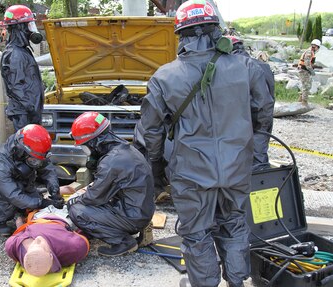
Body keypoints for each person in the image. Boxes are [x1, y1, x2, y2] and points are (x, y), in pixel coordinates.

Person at [140, 1, 273, 287]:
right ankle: (237, 282)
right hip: (237, 167)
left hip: (190, 172)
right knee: (235, 223)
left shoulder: (163, 77)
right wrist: (257, 155)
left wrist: (157, 167)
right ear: (216, 29)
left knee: (197, 232)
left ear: (181, 35)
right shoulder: (247, 67)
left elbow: (151, 132)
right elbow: (263, 114)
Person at [66, 112, 155, 257]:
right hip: (141, 210)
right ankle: (124, 229)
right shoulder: (126, 150)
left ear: (94, 142)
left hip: (133, 216)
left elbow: (94, 197)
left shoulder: (111, 161)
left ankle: (124, 242)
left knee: (77, 211)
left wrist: (74, 200)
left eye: (84, 146)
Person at [0, 124, 64, 236]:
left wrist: (54, 190)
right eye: (34, 159)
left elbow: (48, 169)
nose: (36, 162)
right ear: (22, 150)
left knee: (30, 200)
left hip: (15, 179)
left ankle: (19, 208)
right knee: (10, 196)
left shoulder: (31, 151)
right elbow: (11, 193)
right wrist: (41, 202)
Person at [227, 35, 275, 171]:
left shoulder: (231, 67)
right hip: (264, 117)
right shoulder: (264, 66)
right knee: (259, 155)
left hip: (241, 121)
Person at [5, 207, 89, 277]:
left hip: (41, 215)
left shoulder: (12, 246)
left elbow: (83, 239)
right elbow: (84, 236)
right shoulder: (12, 245)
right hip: (60, 215)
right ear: (51, 256)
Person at [0, 5, 45, 131]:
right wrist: (31, 107)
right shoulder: (15, 54)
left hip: (28, 113)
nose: (32, 30)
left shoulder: (22, 51)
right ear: (20, 28)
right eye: (29, 26)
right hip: (24, 115)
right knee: (26, 148)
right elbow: (16, 87)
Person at [298, 39, 321, 106]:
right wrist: (312, 71)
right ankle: (304, 102)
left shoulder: (311, 52)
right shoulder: (309, 52)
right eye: (318, 47)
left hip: (305, 71)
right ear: (315, 46)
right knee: (306, 86)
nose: (317, 49)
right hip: (304, 71)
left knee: (307, 86)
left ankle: (301, 100)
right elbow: (307, 64)